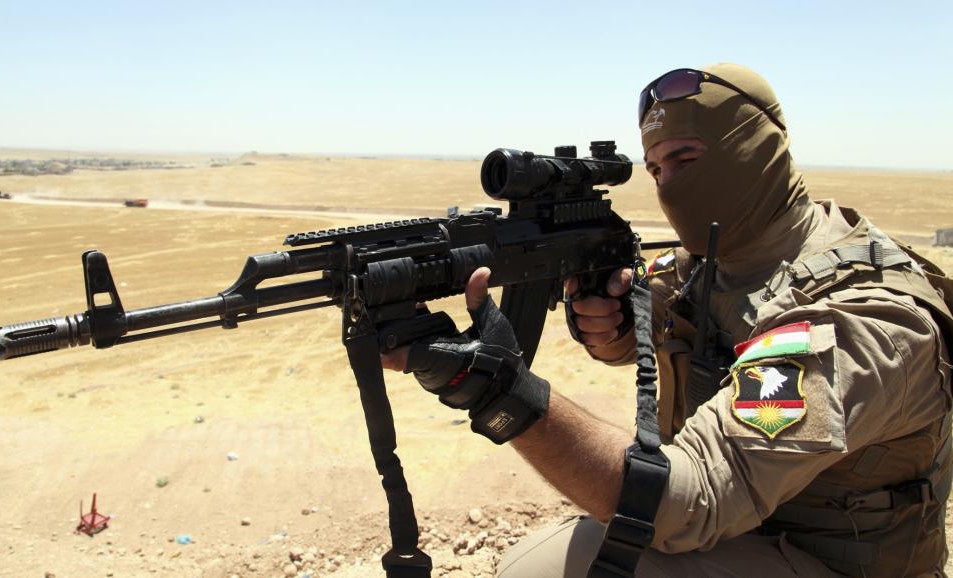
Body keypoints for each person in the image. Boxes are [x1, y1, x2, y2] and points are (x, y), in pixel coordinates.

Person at [383, 63, 952, 577]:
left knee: (554, 568)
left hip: (828, 558)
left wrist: (500, 391)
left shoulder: (859, 318)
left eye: (686, 159)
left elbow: (690, 501)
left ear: (754, 149)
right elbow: (636, 324)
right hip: (741, 537)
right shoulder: (709, 263)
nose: (669, 183)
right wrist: (608, 326)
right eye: (655, 168)